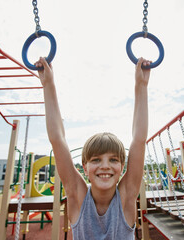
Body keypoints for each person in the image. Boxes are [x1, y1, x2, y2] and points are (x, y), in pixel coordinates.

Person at [35, 57, 151, 239]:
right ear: (84, 167)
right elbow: (57, 139)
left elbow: (139, 140)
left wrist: (141, 85)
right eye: (96, 160)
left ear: (122, 167)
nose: (105, 165)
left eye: (113, 160)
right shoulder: (78, 197)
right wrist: (48, 84)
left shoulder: (126, 197)